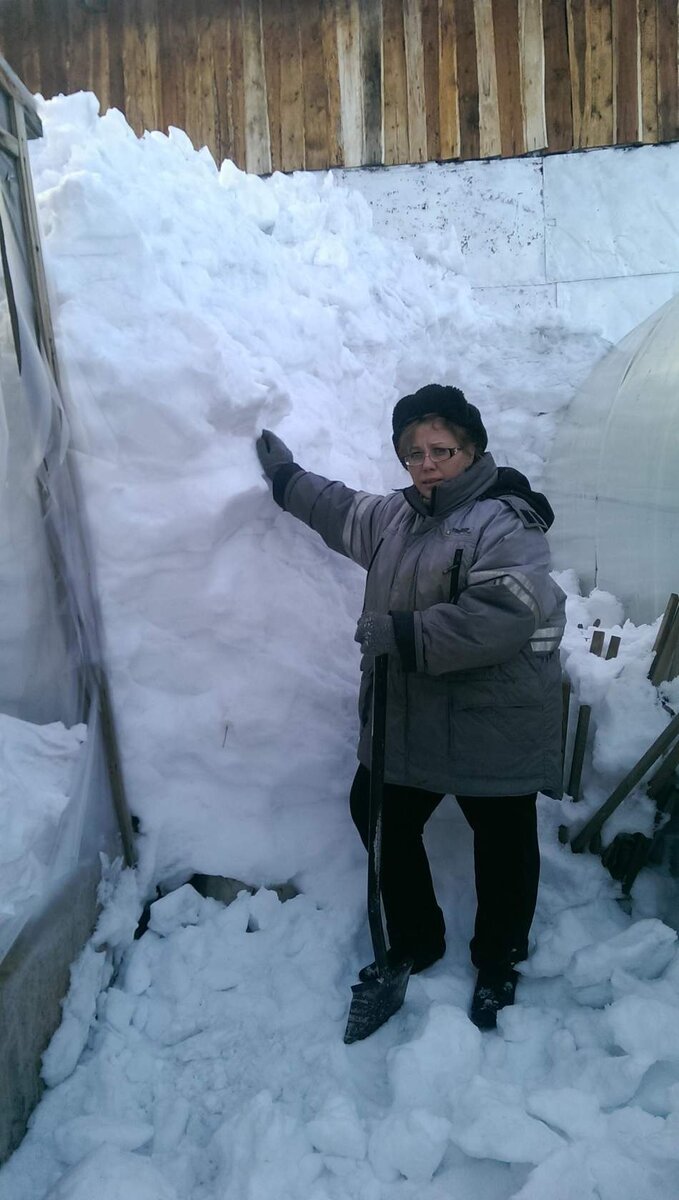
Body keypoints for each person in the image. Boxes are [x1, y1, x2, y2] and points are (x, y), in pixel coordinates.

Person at [256, 384, 564, 1030]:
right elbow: (339, 510)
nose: (426, 464)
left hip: (492, 723)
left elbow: (504, 614)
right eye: (413, 453)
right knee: (375, 811)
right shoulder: (396, 518)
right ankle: (418, 939)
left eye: (440, 450)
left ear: (471, 450)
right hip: (412, 720)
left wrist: (405, 633)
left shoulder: (506, 521)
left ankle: (499, 959)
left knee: (503, 844)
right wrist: (286, 479)